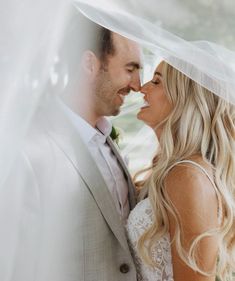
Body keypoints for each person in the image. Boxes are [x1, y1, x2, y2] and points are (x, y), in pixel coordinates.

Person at [1, 7, 142, 281]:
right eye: (130, 69)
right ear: (90, 64)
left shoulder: (109, 142)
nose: (138, 85)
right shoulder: (30, 149)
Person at [126, 61, 235, 281]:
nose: (143, 88)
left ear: (185, 99)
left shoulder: (188, 175)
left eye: (157, 81)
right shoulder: (170, 170)